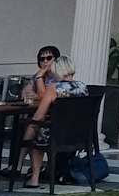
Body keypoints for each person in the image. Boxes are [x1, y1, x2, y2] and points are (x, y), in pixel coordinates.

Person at [17, 50, 87, 186]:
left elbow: (39, 116)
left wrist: (27, 123)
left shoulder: (54, 88)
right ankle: (46, 170)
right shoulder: (82, 87)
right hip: (78, 134)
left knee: (35, 130)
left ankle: (33, 178)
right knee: (38, 128)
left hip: (57, 135)